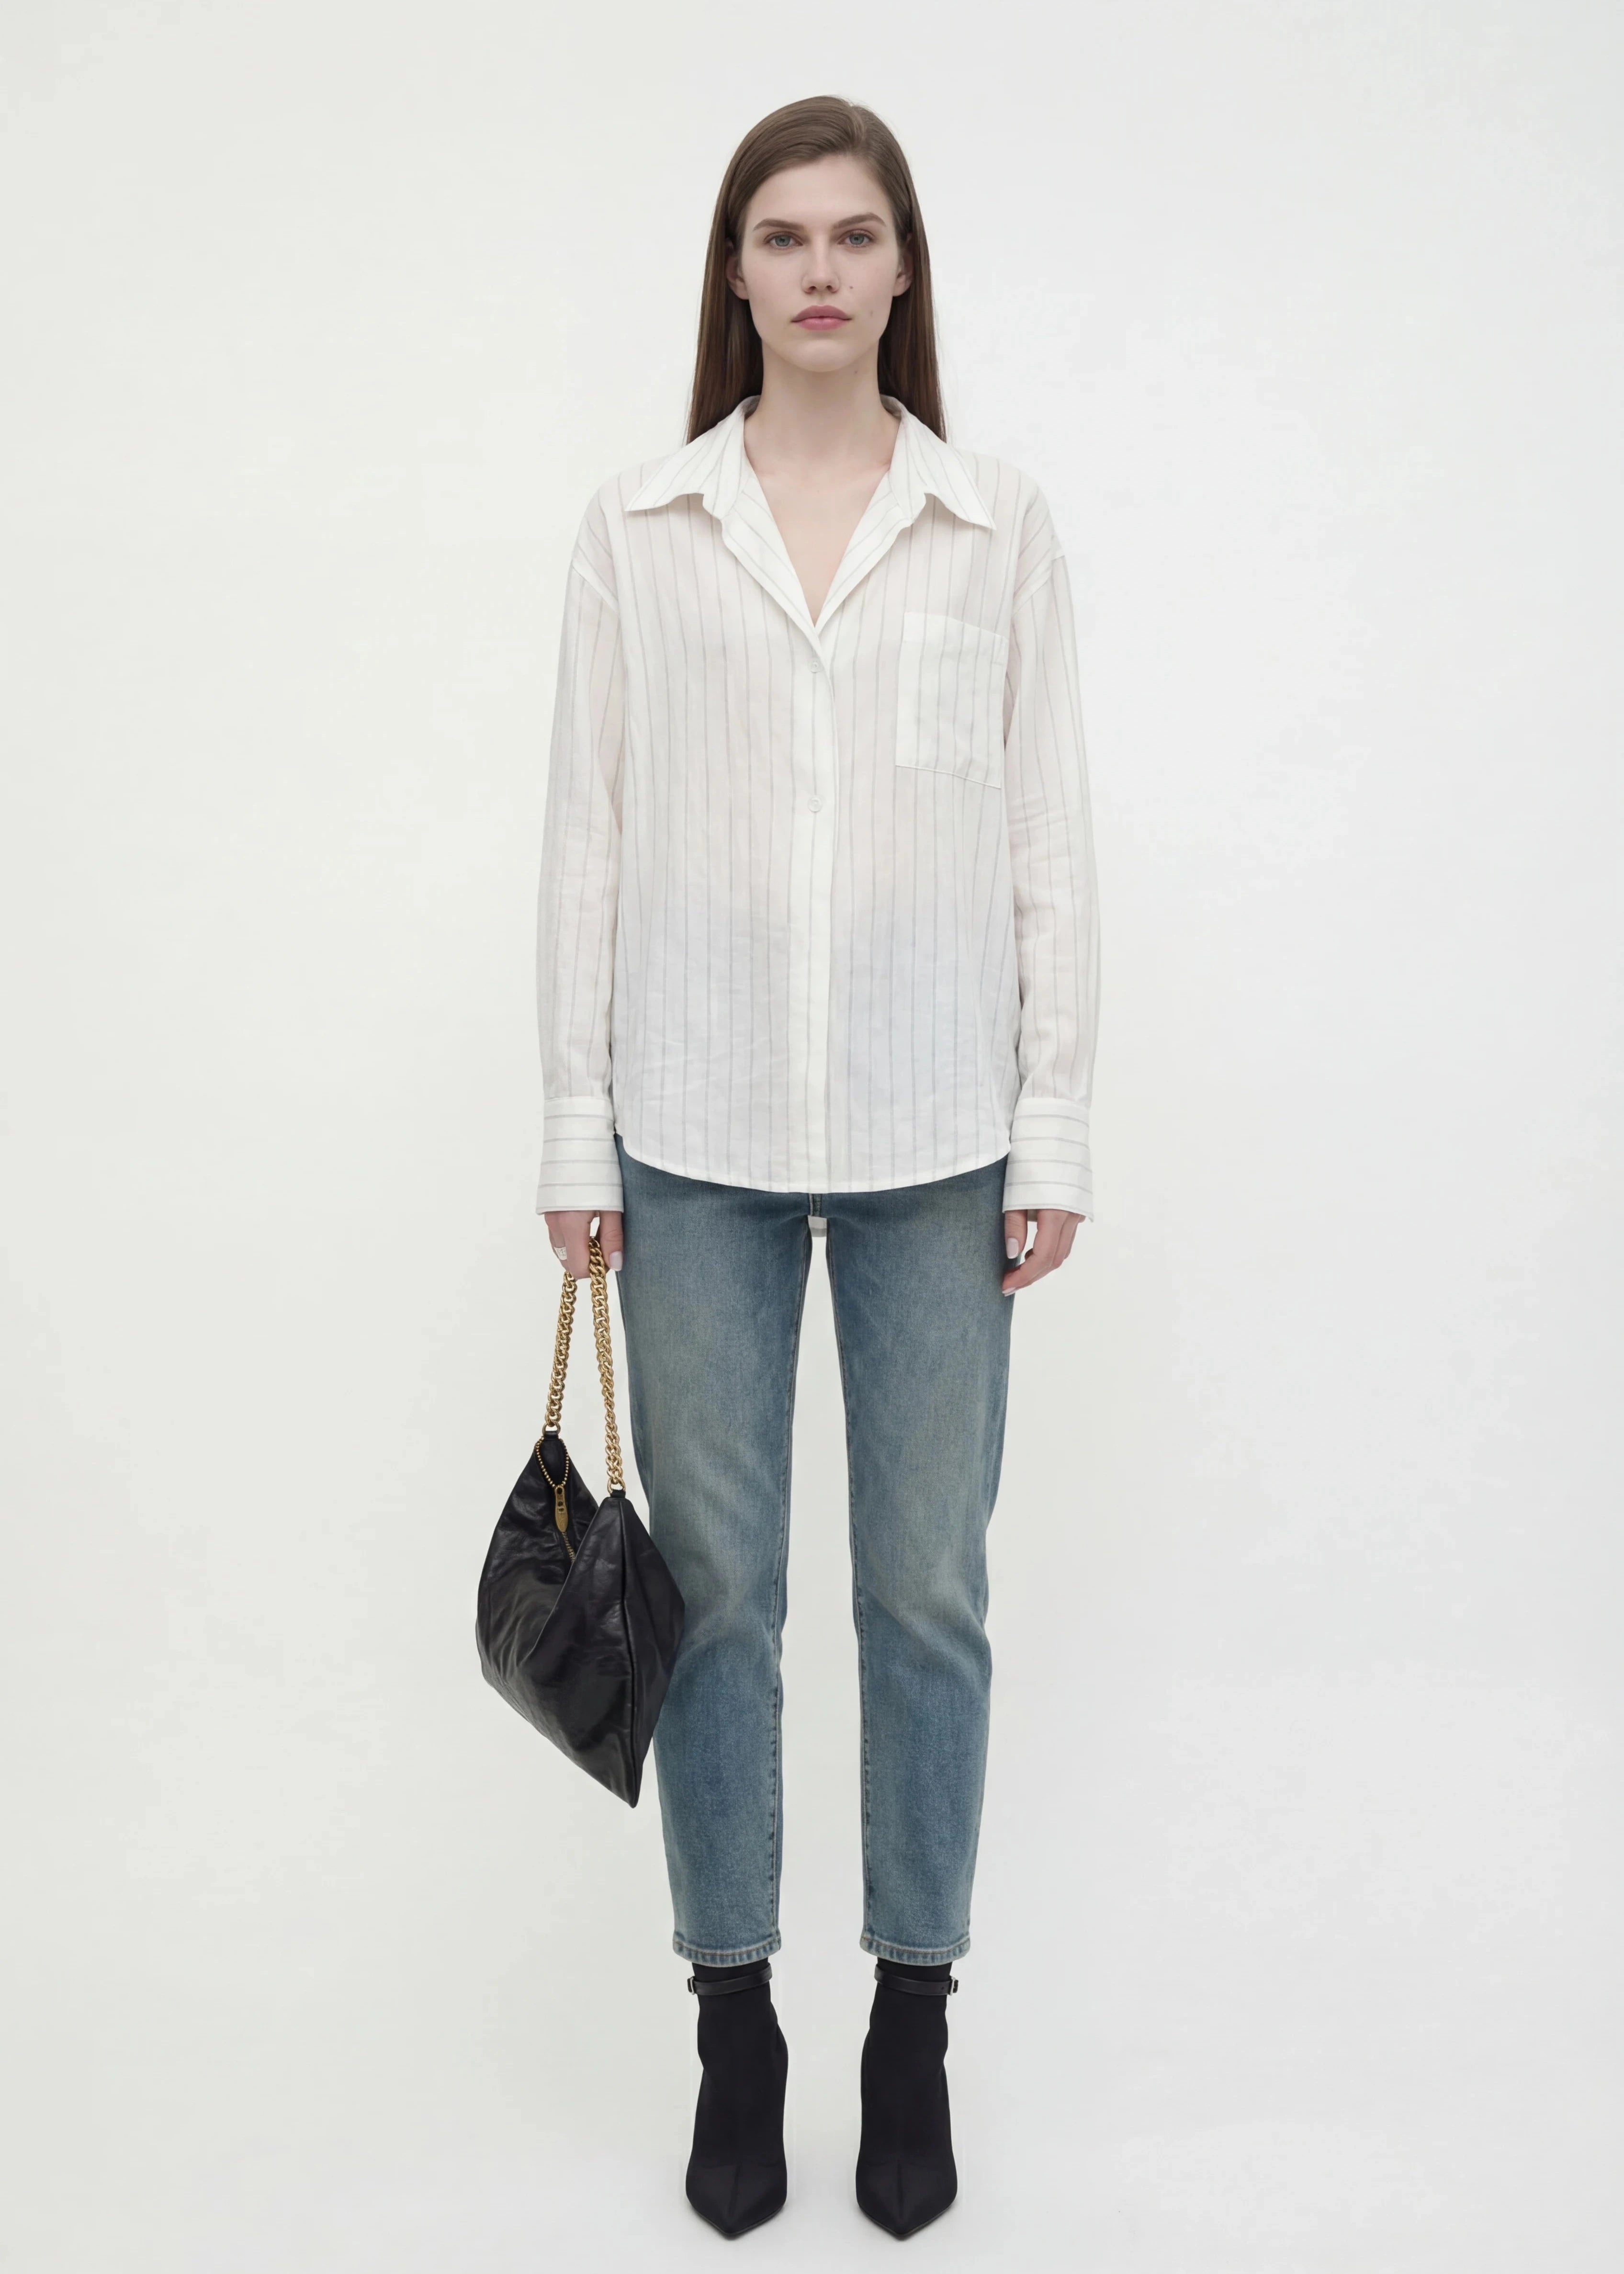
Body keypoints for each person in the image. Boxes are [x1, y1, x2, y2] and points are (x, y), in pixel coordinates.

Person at [533, 93, 1099, 2241]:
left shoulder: (993, 527)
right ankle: (735, 2018)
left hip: (939, 1141)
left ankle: (915, 2019)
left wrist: (1053, 1120)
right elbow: (586, 838)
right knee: (719, 1603)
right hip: (688, 1143)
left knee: (926, 1593)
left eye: (856, 235)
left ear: (901, 267)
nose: (821, 271)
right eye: (783, 237)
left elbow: (1046, 840)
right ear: (737, 273)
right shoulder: (637, 529)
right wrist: (574, 1131)